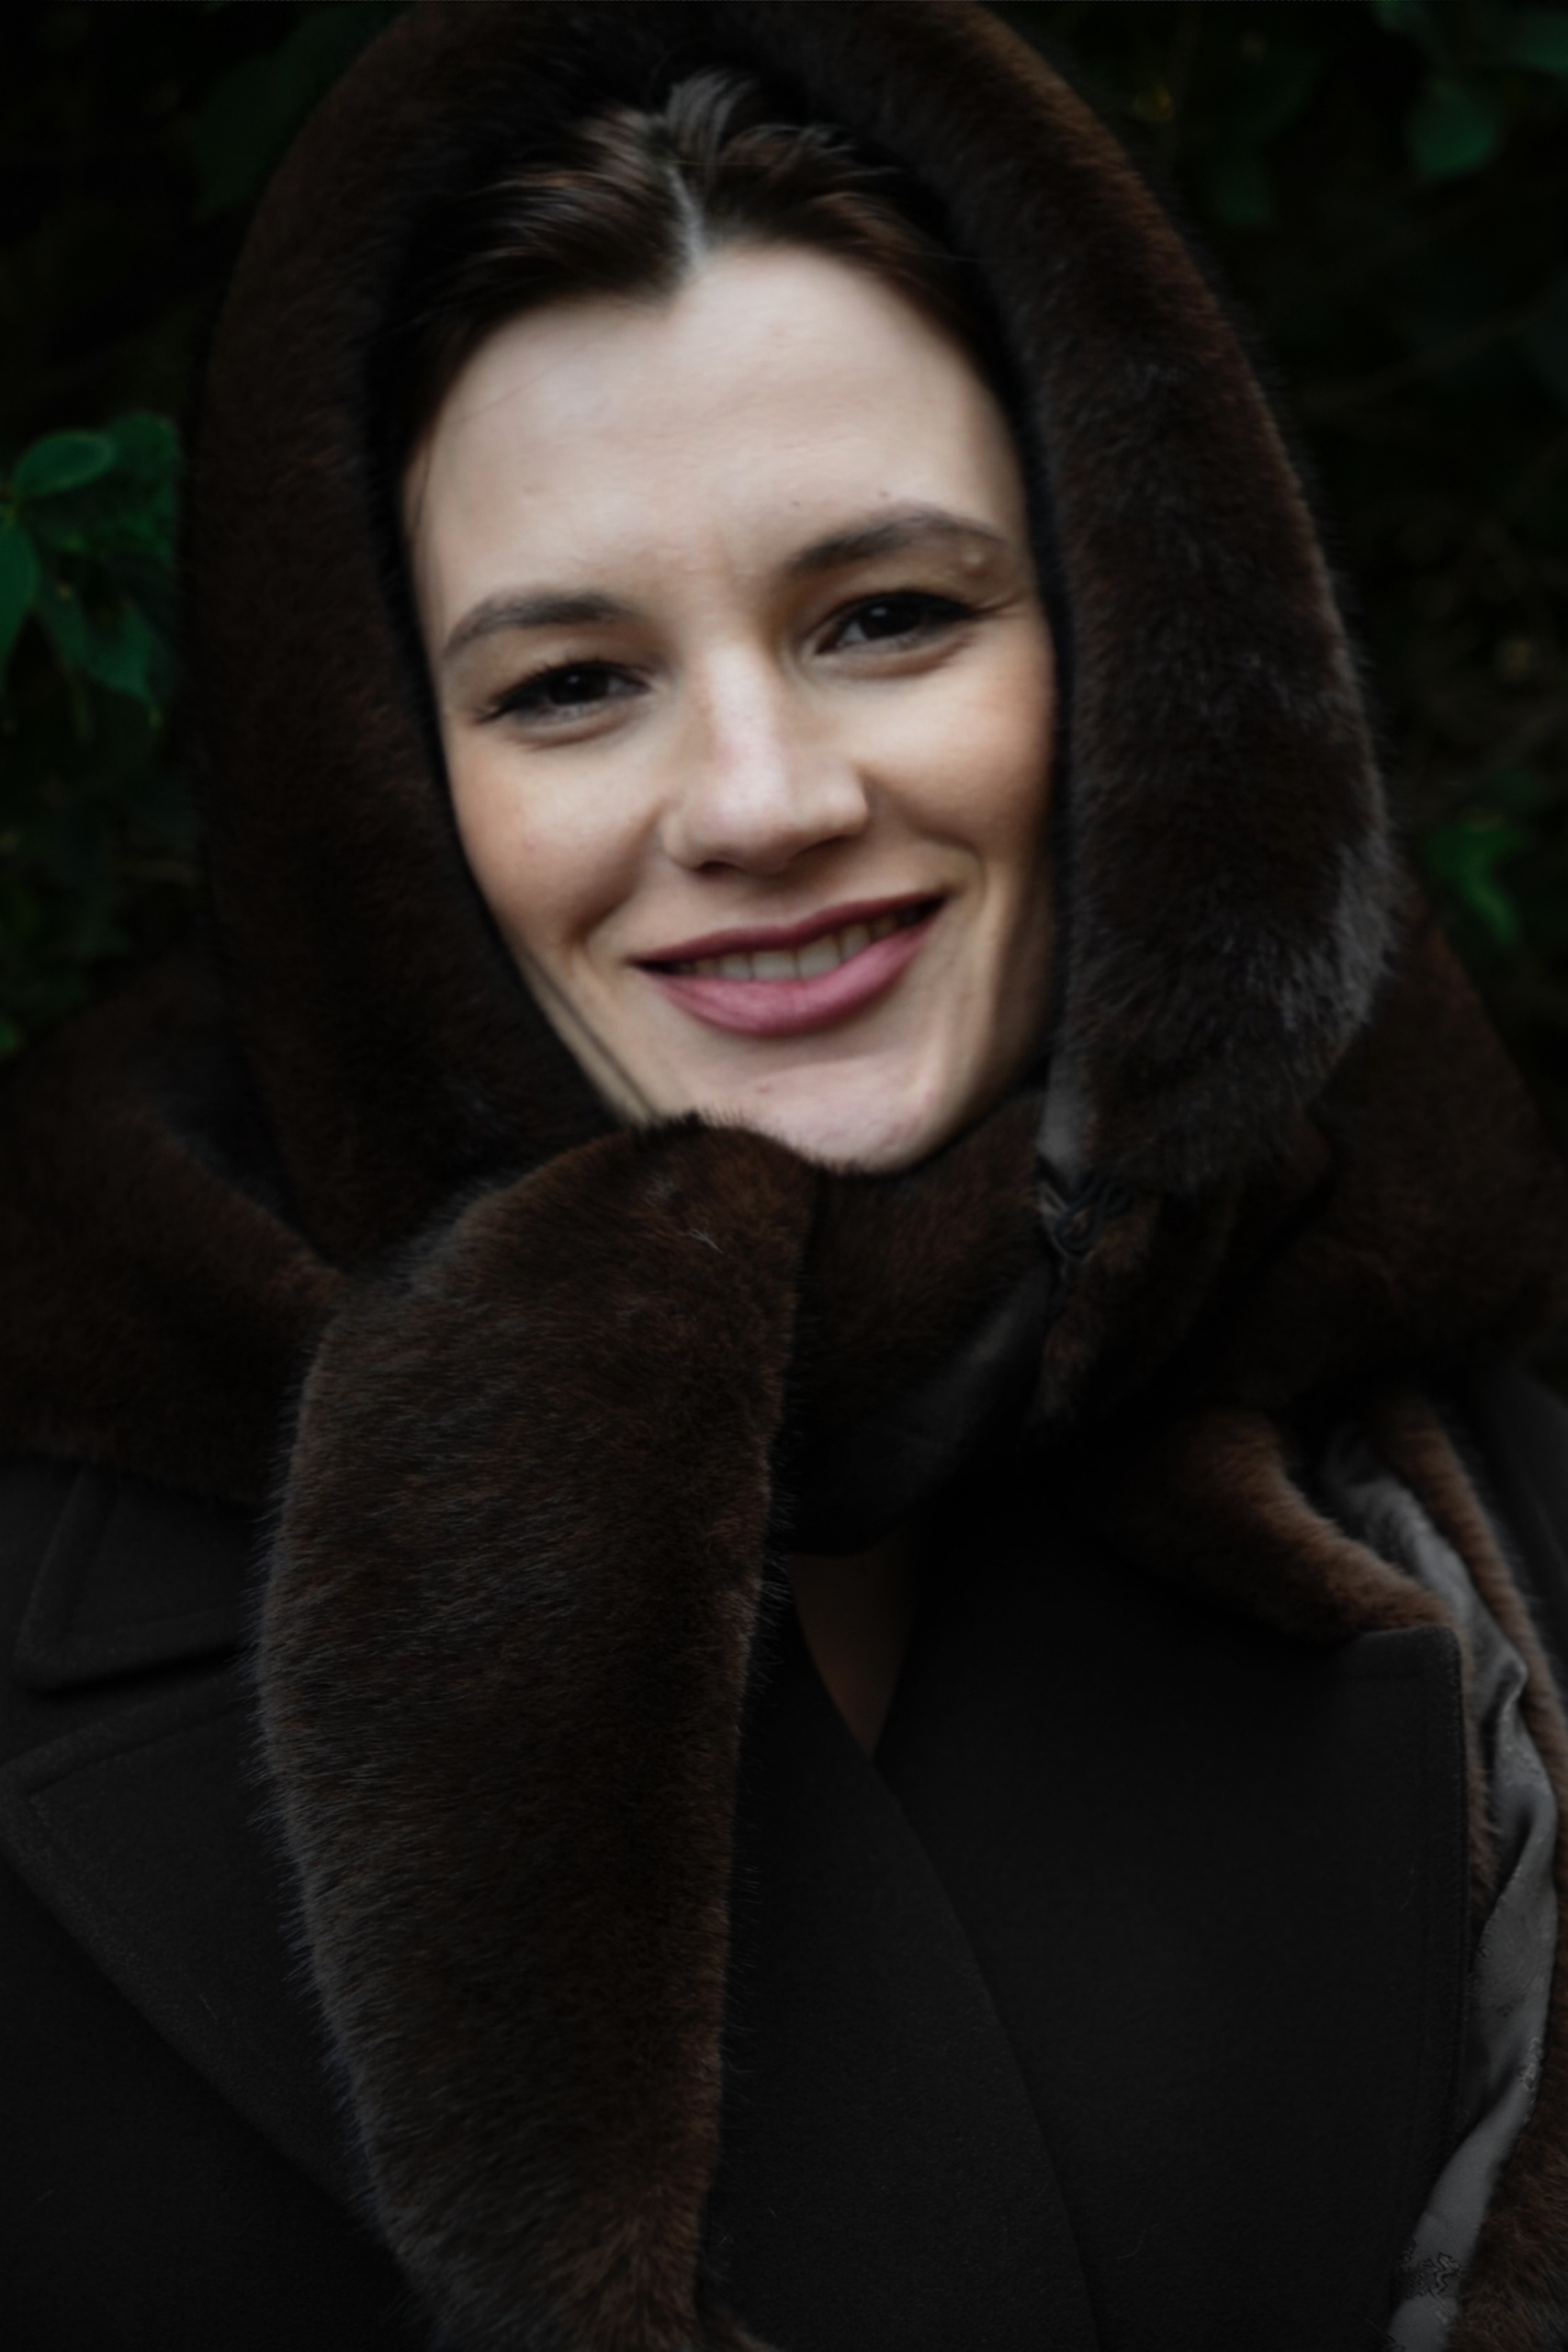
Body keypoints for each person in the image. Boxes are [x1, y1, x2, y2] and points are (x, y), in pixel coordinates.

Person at [4, 6, 1568, 2348]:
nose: (758, 799)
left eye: (886, 617)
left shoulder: (1491, 1539)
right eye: (565, 682)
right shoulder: (54, 1553)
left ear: (1134, 647)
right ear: (385, 794)